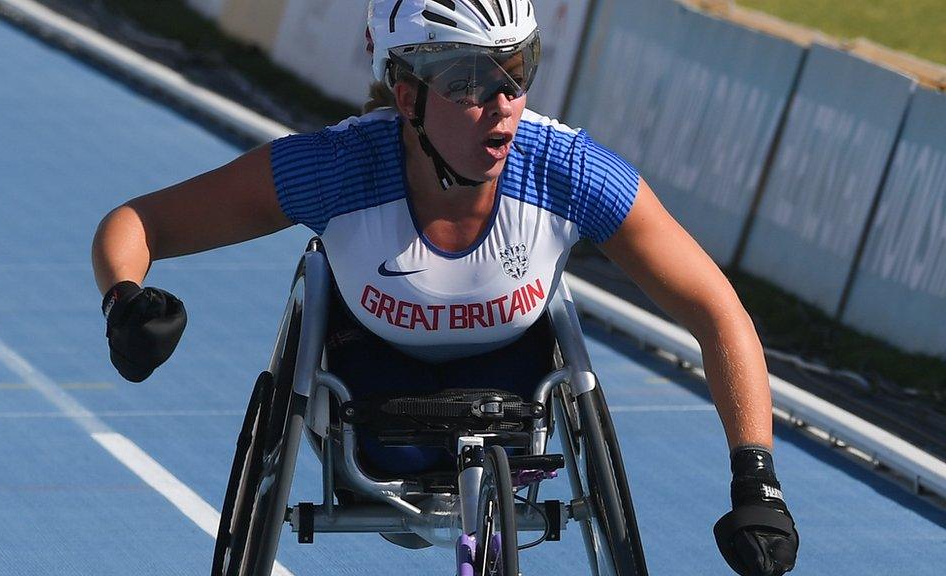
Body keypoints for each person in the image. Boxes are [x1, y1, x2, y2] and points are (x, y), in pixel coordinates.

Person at [91, 0, 798, 573]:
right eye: (467, 82)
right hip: (368, 390)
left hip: (515, 389)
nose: (502, 104)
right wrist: (124, 299)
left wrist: (755, 476)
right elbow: (140, 221)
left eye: (516, 70)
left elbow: (715, 308)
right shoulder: (338, 170)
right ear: (406, 95)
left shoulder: (566, 171)